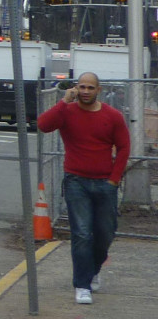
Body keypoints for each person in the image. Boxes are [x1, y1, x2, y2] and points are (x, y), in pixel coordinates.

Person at [37, 72, 130, 305]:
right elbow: (43, 125)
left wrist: (114, 180)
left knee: (105, 234)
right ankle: (82, 285)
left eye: (90, 87)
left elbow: (124, 148)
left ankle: (93, 270)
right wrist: (63, 101)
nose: (85, 91)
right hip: (76, 181)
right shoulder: (66, 112)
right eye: (81, 87)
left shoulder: (113, 116)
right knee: (81, 234)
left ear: (98, 90)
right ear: (75, 89)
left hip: (105, 183)